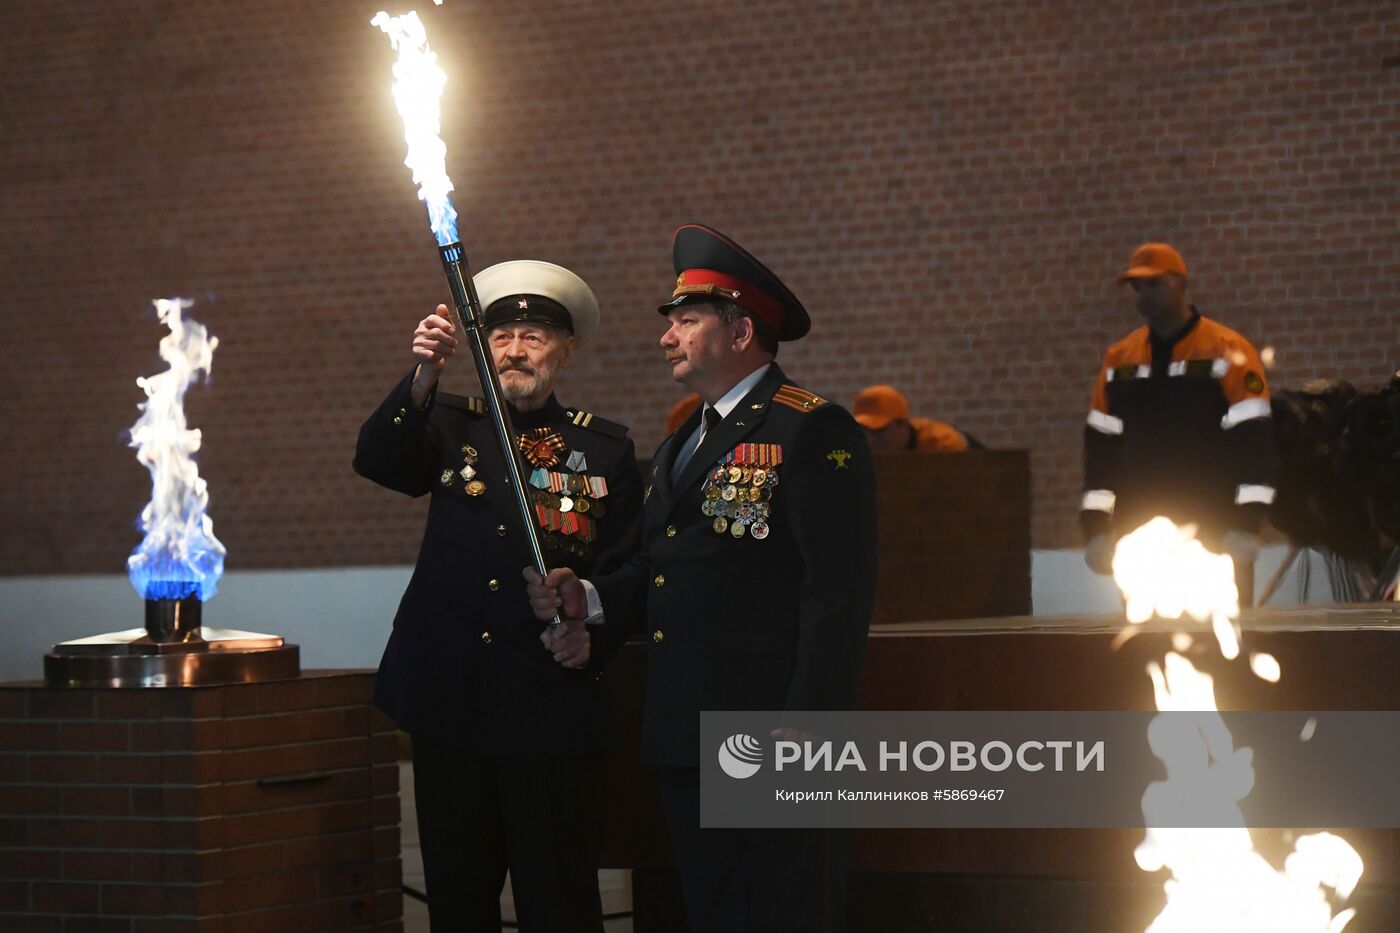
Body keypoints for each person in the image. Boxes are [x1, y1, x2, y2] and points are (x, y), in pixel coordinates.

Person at [526, 224, 877, 932]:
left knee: (784, 909)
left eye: (687, 321)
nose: (668, 337)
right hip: (687, 727)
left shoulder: (810, 430)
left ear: (741, 330)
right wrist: (590, 597)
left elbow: (837, 591)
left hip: (771, 730)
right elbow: (664, 564)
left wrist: (807, 722)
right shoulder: (686, 438)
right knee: (716, 909)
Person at [353, 260, 643, 932]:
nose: (515, 349)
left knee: (559, 902)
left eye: (534, 336)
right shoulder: (451, 425)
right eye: (502, 335)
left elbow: (628, 574)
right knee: (458, 901)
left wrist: (588, 630)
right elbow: (378, 459)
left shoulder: (602, 451)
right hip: (454, 703)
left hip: (550, 708)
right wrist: (423, 378)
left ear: (564, 352)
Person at [1081, 243, 1275, 596]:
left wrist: (1247, 526)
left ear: (1183, 284)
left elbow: (1257, 443)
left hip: (1214, 532)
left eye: (1155, 284)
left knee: (1222, 645)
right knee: (1146, 645)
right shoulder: (1120, 360)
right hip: (1141, 538)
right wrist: (1095, 529)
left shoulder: (1227, 351)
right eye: (1137, 288)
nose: (1144, 295)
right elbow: (1100, 449)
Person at [852, 384, 978, 452]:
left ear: (902, 425)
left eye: (879, 431)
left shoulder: (942, 445)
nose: (870, 441)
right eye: (864, 431)